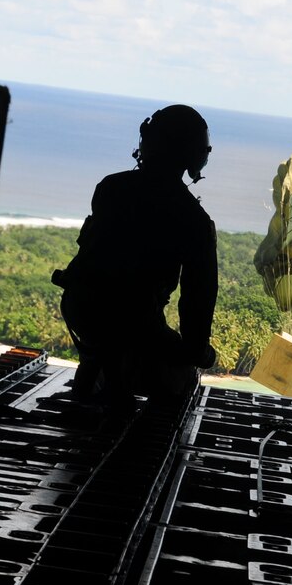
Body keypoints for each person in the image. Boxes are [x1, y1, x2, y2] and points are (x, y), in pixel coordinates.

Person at [52, 104, 218, 408]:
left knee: (104, 350)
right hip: (135, 322)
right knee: (181, 385)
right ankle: (115, 394)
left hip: (82, 310)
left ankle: (96, 384)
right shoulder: (194, 220)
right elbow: (198, 298)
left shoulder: (110, 188)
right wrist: (199, 352)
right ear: (195, 154)